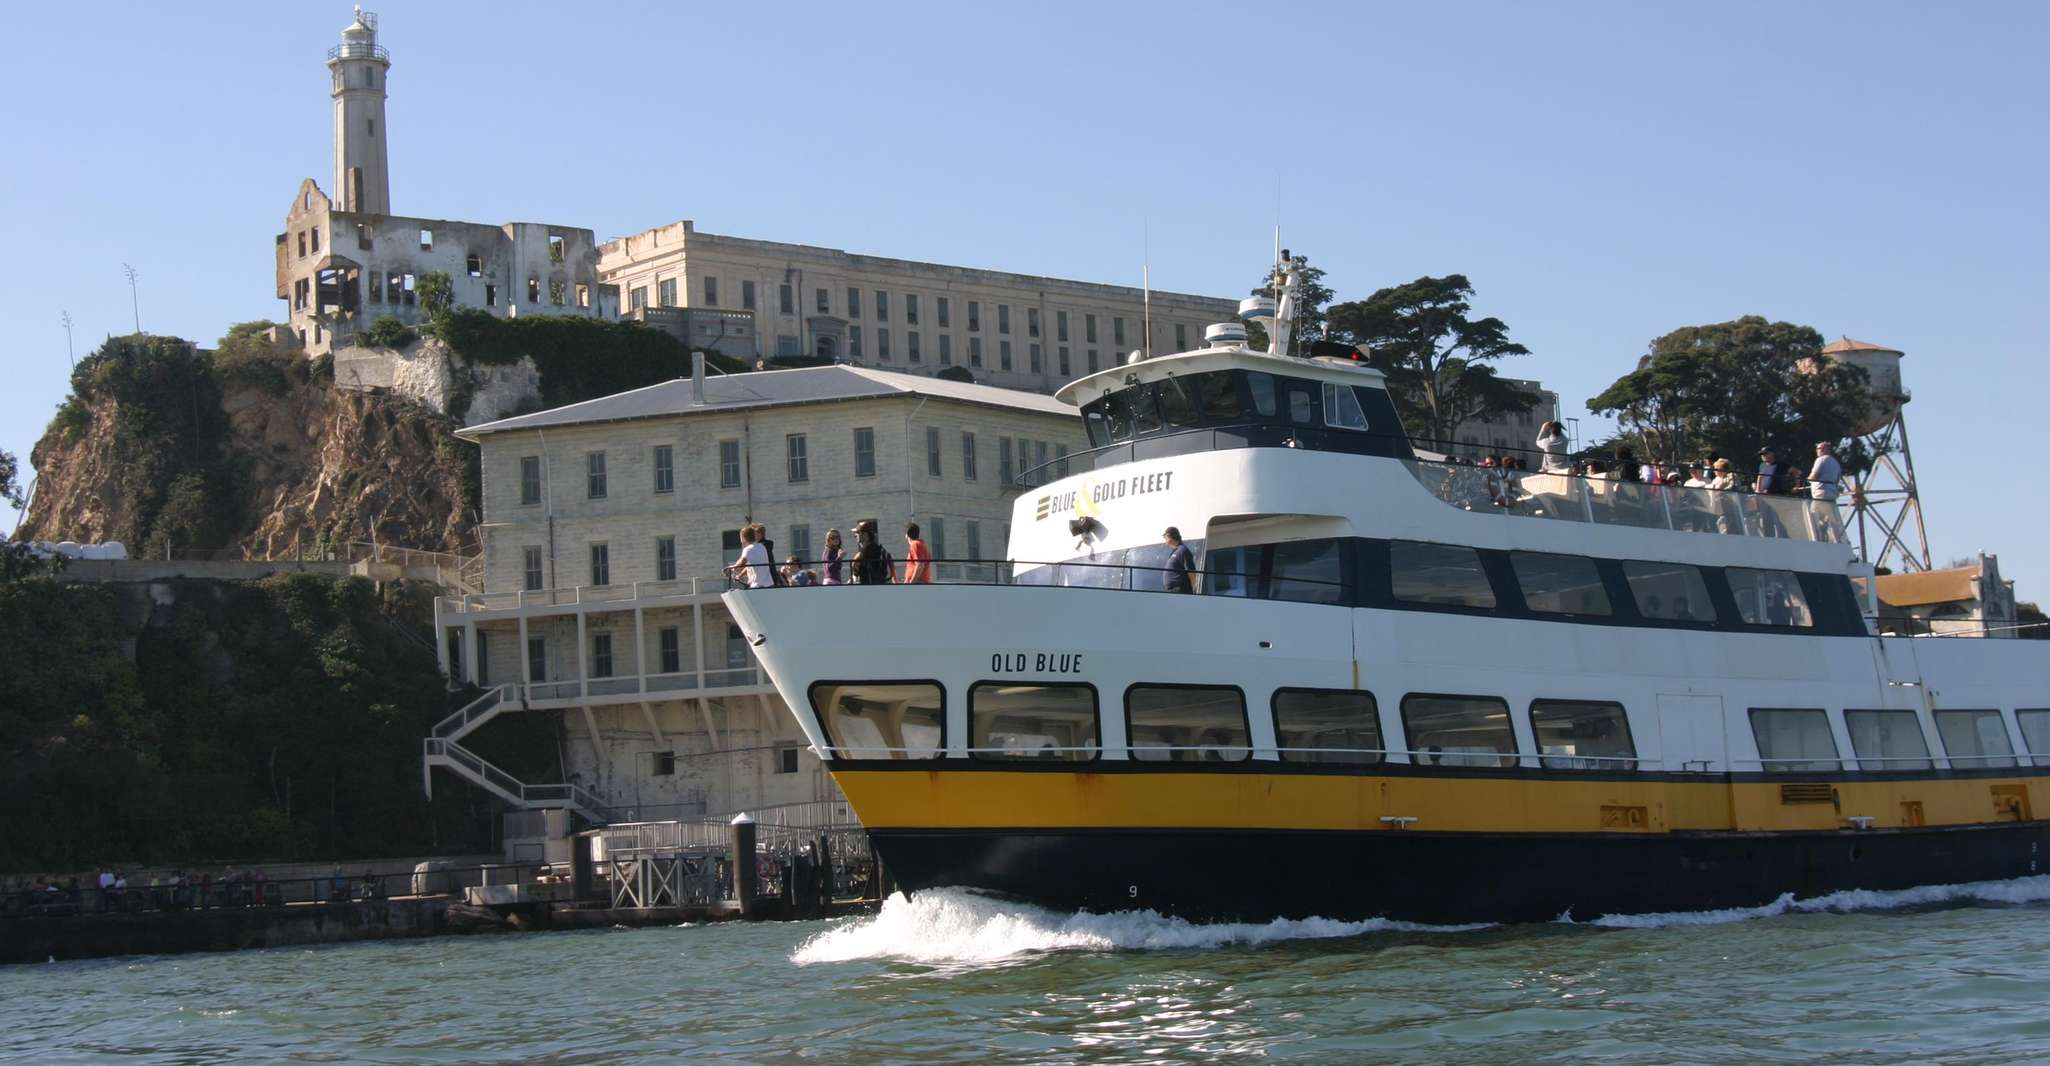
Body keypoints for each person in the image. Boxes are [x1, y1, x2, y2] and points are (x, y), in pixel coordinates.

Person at [1807, 440, 1843, 542]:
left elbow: (1814, 476)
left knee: (1813, 514)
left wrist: (1808, 479)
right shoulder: (1836, 463)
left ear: (1822, 449)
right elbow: (1836, 480)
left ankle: (1818, 538)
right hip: (1832, 494)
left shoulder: (1821, 460)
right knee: (1831, 518)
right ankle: (1837, 540)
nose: (1816, 451)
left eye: (1817, 449)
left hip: (1820, 493)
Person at [1162, 527, 1196, 593]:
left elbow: (1191, 572)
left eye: (1165, 537)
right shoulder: (1175, 551)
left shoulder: (1183, 550)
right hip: (1173, 591)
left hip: (1180, 591)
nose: (1164, 539)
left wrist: (1193, 591)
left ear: (1169, 536)